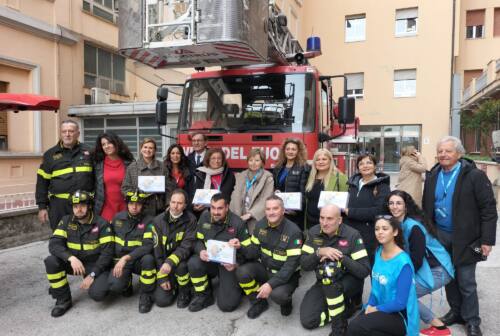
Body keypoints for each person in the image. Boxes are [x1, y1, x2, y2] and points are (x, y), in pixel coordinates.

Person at [422, 136, 497, 336]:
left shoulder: (474, 176)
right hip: (440, 236)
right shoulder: (433, 175)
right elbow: (426, 207)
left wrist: (487, 240)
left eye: (448, 151)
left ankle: (472, 320)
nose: (443, 155)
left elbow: (489, 209)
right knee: (449, 277)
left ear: (459, 153)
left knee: (466, 281)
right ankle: (456, 312)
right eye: (440, 151)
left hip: (466, 238)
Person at [386, 190, 454, 336]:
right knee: (395, 290)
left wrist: (401, 278)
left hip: (439, 270)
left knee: (402, 293)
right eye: (391, 203)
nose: (394, 207)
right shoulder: (397, 223)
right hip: (426, 267)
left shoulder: (413, 226)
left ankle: (440, 328)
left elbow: (416, 259)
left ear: (406, 206)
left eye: (398, 203)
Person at [300, 205, 370, 336]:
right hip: (324, 281)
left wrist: (341, 257)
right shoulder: (314, 232)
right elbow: (304, 264)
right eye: (322, 218)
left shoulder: (352, 235)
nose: (324, 223)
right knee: (308, 320)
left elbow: (364, 271)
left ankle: (340, 327)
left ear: (339, 220)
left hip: (349, 280)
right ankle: (347, 308)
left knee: (332, 286)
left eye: (330, 219)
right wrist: (319, 252)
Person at [43, 190, 113, 317]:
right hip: (75, 263)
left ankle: (109, 281)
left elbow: (107, 254)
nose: (78, 210)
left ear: (89, 206)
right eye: (75, 207)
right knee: (51, 261)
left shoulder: (102, 224)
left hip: (94, 264)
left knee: (98, 295)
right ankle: (63, 299)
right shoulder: (66, 221)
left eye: (82, 206)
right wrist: (70, 258)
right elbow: (54, 244)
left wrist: (92, 274)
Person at [346, 215, 419, 336]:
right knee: (352, 329)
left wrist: (376, 309)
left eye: (385, 229)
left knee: (356, 327)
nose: (380, 232)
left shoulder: (403, 263)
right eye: (377, 229)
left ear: (395, 232)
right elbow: (376, 289)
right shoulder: (378, 251)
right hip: (380, 307)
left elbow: (400, 303)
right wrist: (370, 305)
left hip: (399, 316)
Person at [235, 195, 303, 319]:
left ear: (283, 211)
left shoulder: (294, 232)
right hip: (265, 269)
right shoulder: (260, 225)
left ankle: (286, 302)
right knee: (242, 272)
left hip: (286, 274)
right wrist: (240, 247)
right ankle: (259, 302)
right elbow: (254, 252)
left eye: (275, 208)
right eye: (268, 209)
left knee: (279, 296)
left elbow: (290, 267)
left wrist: (270, 285)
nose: (271, 212)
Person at [187, 193, 251, 312]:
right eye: (213, 207)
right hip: (210, 261)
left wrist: (237, 262)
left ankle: (236, 286)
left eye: (220, 208)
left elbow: (250, 252)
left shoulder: (238, 223)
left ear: (227, 207)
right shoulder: (204, 217)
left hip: (229, 266)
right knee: (194, 263)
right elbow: (197, 240)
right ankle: (204, 296)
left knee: (227, 305)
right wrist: (201, 250)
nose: (216, 212)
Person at [36, 120, 94, 230]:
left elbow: (97, 179)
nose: (67, 134)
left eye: (71, 131)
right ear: (60, 133)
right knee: (60, 237)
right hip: (59, 206)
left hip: (84, 204)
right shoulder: (50, 155)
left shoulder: (89, 152)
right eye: (64, 131)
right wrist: (42, 207)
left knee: (85, 236)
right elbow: (42, 183)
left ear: (78, 133)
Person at [107, 190, 156, 313]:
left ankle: (146, 295)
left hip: (139, 260)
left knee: (149, 259)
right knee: (114, 285)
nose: (134, 207)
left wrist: (125, 258)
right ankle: (126, 283)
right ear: (127, 204)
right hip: (122, 261)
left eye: (138, 204)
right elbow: (109, 242)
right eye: (131, 203)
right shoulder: (117, 218)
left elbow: (147, 246)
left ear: (143, 205)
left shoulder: (149, 221)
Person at [152, 189, 197, 309]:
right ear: (169, 202)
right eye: (173, 202)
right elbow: (157, 251)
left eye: (179, 203)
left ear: (185, 205)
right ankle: (172, 284)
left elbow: (187, 246)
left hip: (181, 260)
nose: (175, 206)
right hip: (164, 265)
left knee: (182, 266)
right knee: (162, 301)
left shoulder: (191, 220)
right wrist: (162, 277)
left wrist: (170, 262)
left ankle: (184, 291)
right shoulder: (158, 221)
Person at [343, 154, 391, 265]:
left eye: (369, 162)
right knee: (353, 268)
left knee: (372, 268)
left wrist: (350, 212)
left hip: (370, 235)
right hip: (351, 234)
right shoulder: (352, 185)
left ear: (375, 166)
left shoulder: (382, 186)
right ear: (358, 167)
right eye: (361, 163)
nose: (365, 166)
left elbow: (379, 211)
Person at [230, 148, 274, 234]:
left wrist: (250, 214)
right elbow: (235, 196)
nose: (253, 163)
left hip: (255, 218)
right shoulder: (241, 176)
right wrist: (237, 216)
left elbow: (266, 199)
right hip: (240, 216)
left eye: (257, 160)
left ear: (262, 162)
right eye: (251, 160)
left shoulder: (268, 178)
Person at [93, 132, 135, 221]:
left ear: (116, 143)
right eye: (103, 144)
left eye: (109, 143)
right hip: (105, 209)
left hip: (126, 208)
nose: (106, 146)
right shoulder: (97, 165)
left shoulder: (129, 163)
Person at [304, 149, 348, 230]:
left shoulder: (340, 178)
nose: (321, 162)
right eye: (318, 159)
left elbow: (345, 203)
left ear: (330, 161)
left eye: (324, 159)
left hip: (329, 224)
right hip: (310, 223)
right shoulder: (310, 177)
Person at [122, 138, 165, 217]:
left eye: (151, 148)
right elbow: (125, 188)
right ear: (141, 149)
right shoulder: (132, 167)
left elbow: (168, 187)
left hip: (158, 209)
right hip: (137, 208)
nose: (147, 150)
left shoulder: (162, 166)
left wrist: (168, 203)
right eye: (145, 147)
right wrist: (136, 195)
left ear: (155, 150)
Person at [272, 138, 309, 228]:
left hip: (294, 214)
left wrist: (295, 210)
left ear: (298, 151)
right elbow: (275, 188)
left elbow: (303, 193)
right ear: (284, 151)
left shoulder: (303, 168)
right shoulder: (278, 167)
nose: (290, 152)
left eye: (293, 149)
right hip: (279, 211)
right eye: (288, 149)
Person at [191, 148, 235, 216]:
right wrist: (194, 206)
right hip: (204, 213)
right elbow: (192, 194)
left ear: (223, 160)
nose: (216, 161)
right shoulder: (199, 174)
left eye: (219, 158)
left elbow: (233, 194)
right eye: (213, 158)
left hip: (224, 212)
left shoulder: (229, 175)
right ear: (208, 160)